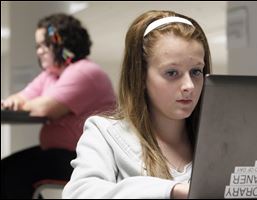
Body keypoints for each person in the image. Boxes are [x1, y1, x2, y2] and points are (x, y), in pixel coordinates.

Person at [62, 10, 211, 199]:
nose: (189, 86)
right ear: (140, 77)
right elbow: (79, 193)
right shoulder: (104, 132)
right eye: (172, 73)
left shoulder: (218, 139)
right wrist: (171, 191)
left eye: (196, 72)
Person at [1, 13, 116, 198]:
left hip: (86, 158)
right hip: (60, 153)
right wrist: (16, 101)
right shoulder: (51, 75)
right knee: (7, 172)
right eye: (37, 46)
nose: (39, 51)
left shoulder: (86, 72)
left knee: (9, 175)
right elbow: (21, 98)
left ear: (62, 43)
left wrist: (23, 103)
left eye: (45, 44)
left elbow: (44, 108)